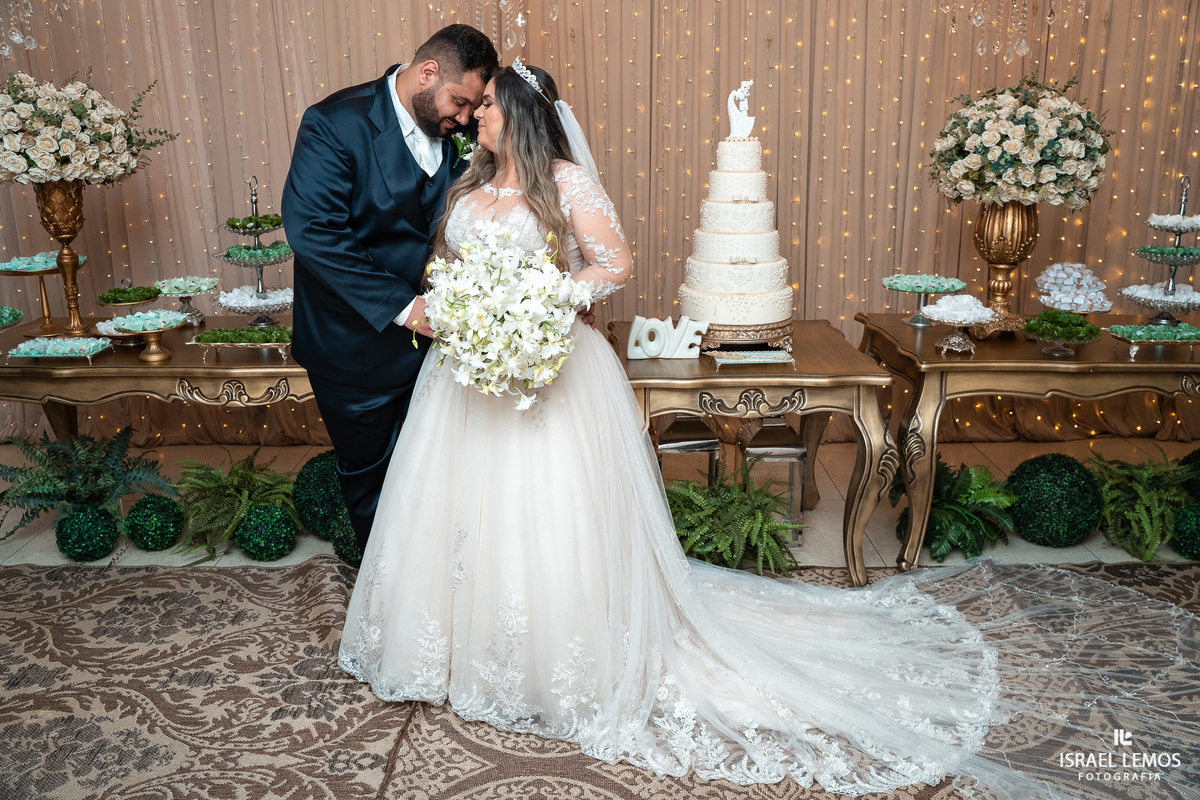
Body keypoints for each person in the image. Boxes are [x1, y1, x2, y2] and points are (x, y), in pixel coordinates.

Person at [338, 61, 1199, 798]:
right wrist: (465, 309)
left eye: (485, 106)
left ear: (518, 114)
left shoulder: (565, 184)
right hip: (469, 378)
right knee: (465, 507)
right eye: (473, 104)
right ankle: (467, 648)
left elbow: (614, 265)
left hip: (550, 372)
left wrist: (536, 305)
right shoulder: (465, 188)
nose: (472, 117)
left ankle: (557, 653)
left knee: (547, 512)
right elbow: (443, 266)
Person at [282, 25, 499, 550]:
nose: (466, 118)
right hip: (353, 347)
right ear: (428, 73)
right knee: (372, 481)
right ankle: (384, 608)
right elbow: (314, 232)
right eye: (460, 102)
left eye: (473, 108)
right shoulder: (334, 123)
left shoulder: (458, 132)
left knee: (444, 475)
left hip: (444, 353)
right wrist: (406, 307)